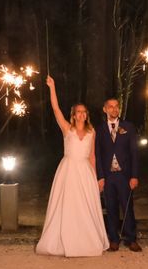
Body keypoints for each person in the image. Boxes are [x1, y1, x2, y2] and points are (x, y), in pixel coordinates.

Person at [36, 76, 108, 256]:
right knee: (68, 205)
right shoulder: (67, 129)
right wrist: (52, 87)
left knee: (85, 205)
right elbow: (55, 108)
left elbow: (92, 156)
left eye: (84, 111)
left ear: (86, 114)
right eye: (78, 112)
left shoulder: (92, 132)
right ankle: (65, 241)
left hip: (84, 171)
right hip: (68, 170)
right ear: (74, 115)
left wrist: (97, 177)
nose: (82, 114)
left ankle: (87, 240)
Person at [95, 97, 141, 252]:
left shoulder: (128, 127)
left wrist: (134, 175)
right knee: (111, 207)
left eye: (116, 107)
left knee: (127, 207)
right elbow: (98, 155)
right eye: (110, 107)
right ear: (105, 109)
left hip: (124, 175)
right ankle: (114, 239)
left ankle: (131, 239)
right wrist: (100, 176)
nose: (114, 109)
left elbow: (134, 152)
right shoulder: (99, 129)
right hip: (108, 176)